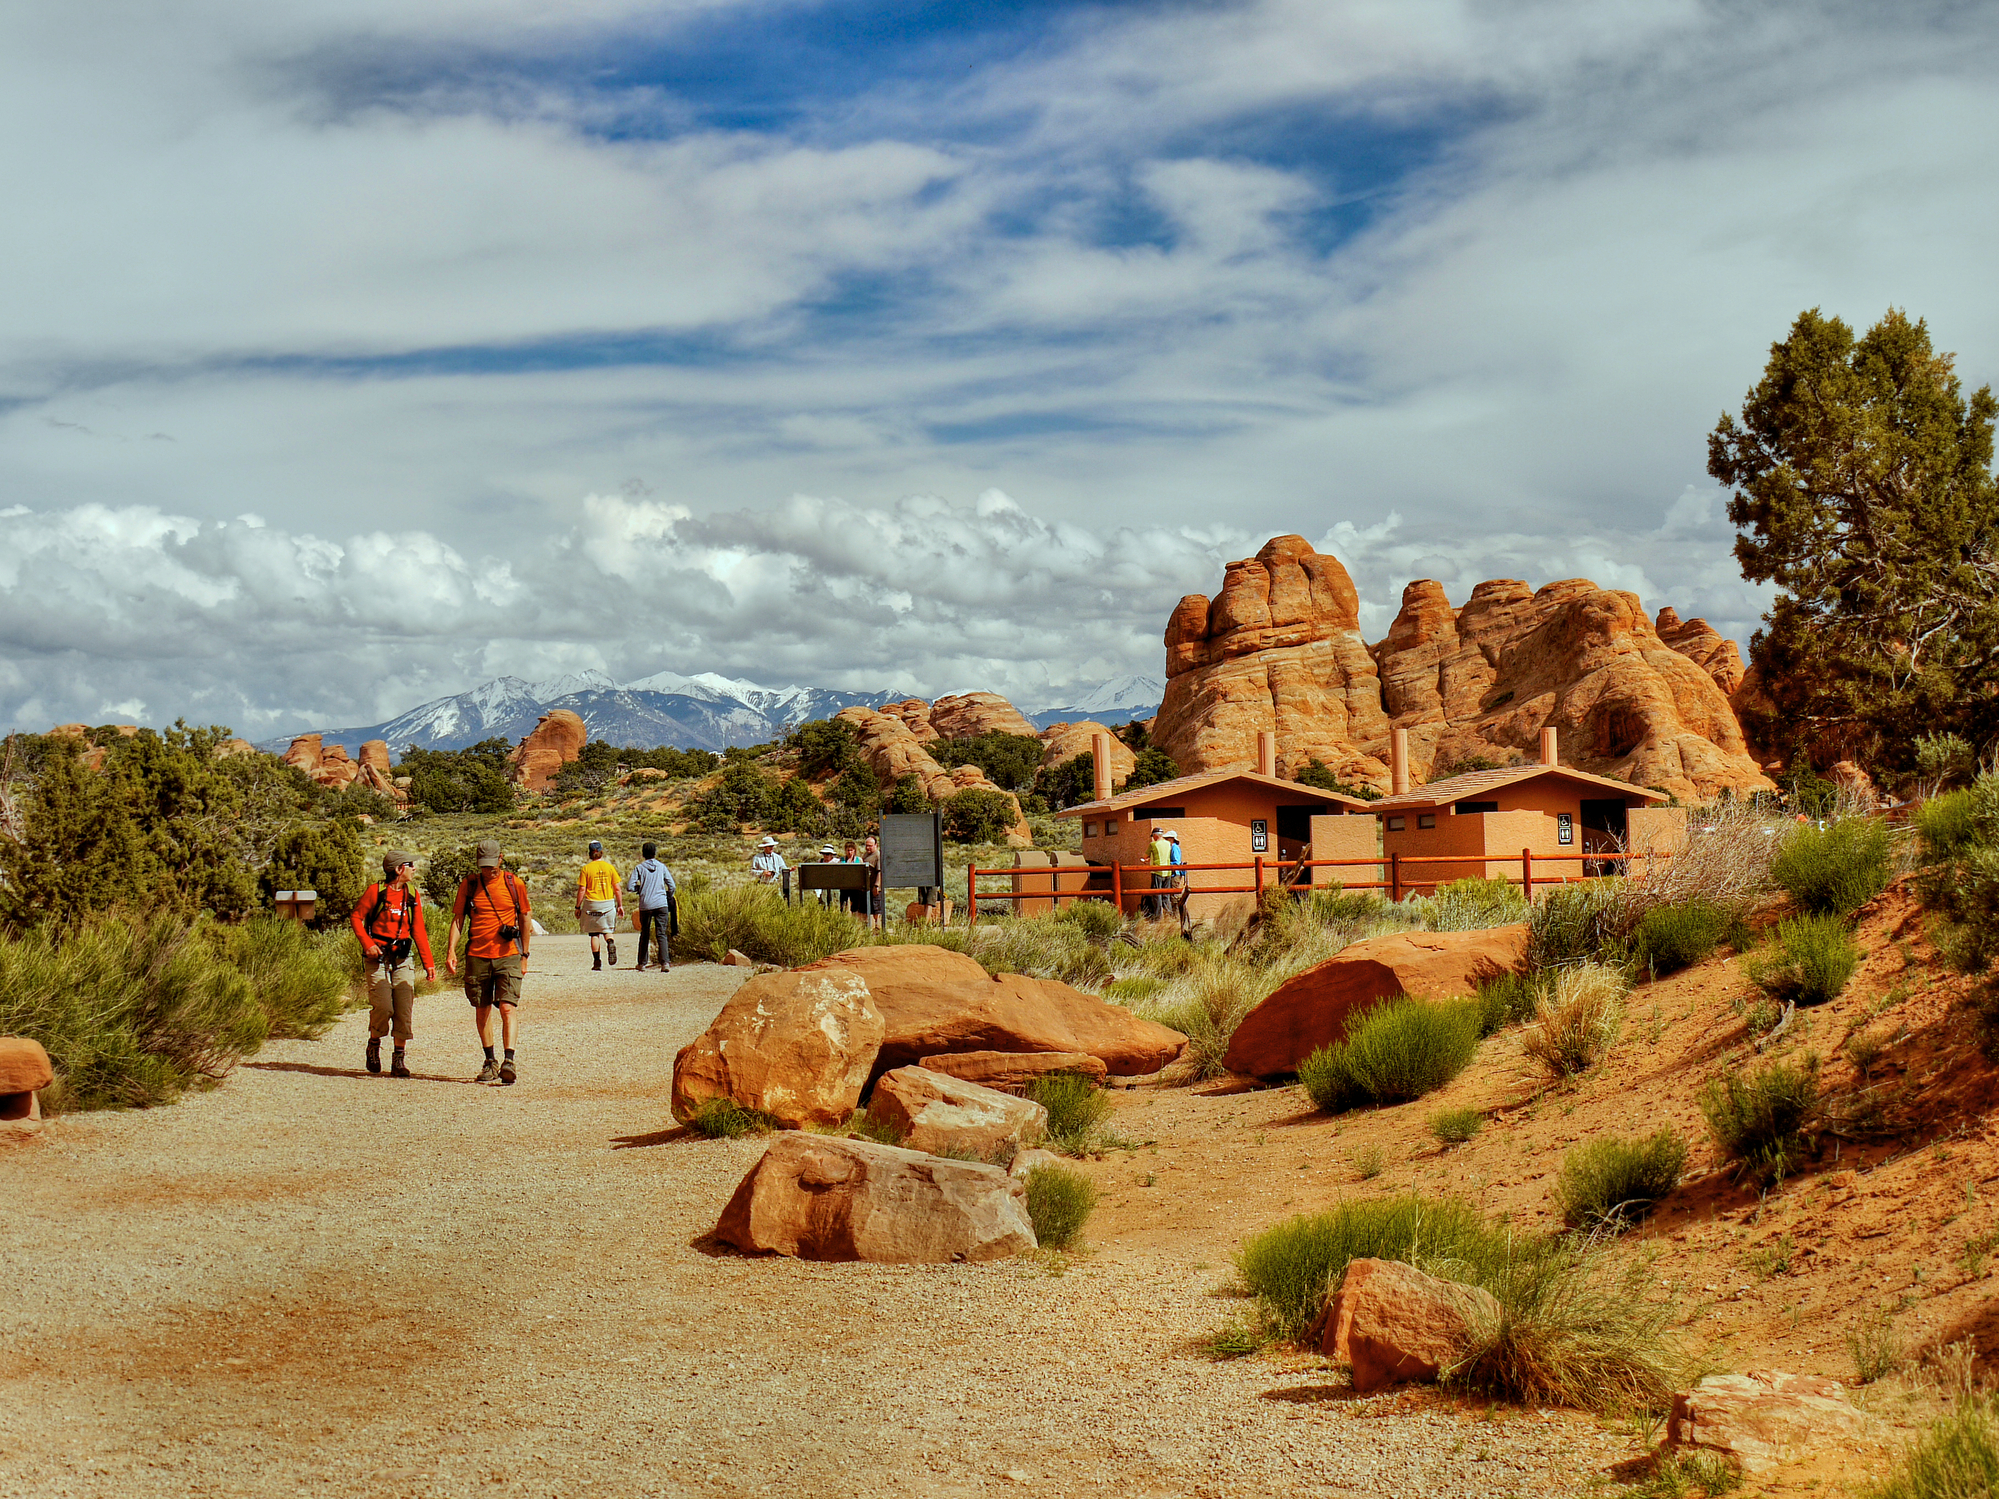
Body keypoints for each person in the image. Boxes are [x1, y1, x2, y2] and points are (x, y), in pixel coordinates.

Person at [445, 839, 530, 1085]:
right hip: (477, 956)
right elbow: (459, 918)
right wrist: (451, 950)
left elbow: (525, 917)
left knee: (507, 1007)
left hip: (508, 955)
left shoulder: (514, 884)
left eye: (492, 865)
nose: (489, 870)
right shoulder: (470, 885)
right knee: (481, 1009)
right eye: (484, 866)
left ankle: (509, 1061)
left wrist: (524, 955)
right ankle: (490, 1061)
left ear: (500, 859)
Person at [351, 849, 436, 1078]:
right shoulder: (375, 892)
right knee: (384, 1006)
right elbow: (356, 918)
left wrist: (428, 963)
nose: (414, 868)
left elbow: (418, 929)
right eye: (410, 864)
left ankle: (398, 1059)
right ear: (399, 869)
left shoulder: (412, 894)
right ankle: (374, 1044)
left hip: (402, 957)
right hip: (377, 957)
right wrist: (367, 944)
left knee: (403, 1006)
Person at [626, 841, 676, 972]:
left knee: (645, 933)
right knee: (662, 934)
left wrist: (640, 888)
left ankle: (642, 963)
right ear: (655, 852)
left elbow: (629, 886)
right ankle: (665, 962)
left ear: (643, 854)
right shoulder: (662, 867)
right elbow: (672, 885)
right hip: (661, 904)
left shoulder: (639, 868)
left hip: (646, 904)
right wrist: (668, 895)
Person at [575, 839, 624, 971]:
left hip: (592, 904)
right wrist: (620, 905)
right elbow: (617, 888)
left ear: (590, 853)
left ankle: (597, 962)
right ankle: (610, 942)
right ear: (601, 852)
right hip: (607, 903)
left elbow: (582, 889)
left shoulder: (586, 869)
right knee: (607, 929)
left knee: (594, 933)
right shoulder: (609, 867)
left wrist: (577, 906)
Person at [1146, 824, 1172, 918]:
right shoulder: (1168, 843)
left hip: (1157, 871)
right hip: (1168, 871)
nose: (1153, 838)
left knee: (1157, 895)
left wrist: (1146, 860)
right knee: (1166, 895)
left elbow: (1146, 856)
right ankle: (1168, 915)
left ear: (1156, 835)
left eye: (1153, 836)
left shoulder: (1153, 844)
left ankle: (1158, 917)